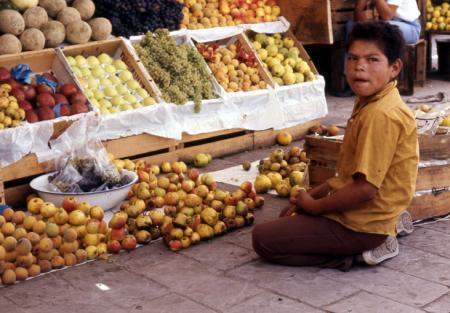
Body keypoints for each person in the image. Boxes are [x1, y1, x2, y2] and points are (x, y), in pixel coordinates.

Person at [252, 21, 419, 271]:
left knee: (263, 240)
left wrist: (316, 207)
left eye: (373, 60)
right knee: (287, 217)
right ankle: (386, 228)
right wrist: (310, 198)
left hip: (362, 226)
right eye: (353, 58)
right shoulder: (370, 101)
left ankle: (358, 254)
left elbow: (364, 190)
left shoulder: (380, 115)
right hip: (368, 215)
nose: (359, 66)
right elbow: (346, 177)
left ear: (394, 68)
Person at [354, 0, 421, 44]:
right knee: (351, 27)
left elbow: (387, 15)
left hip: (411, 27)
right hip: (386, 25)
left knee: (382, 29)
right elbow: (358, 10)